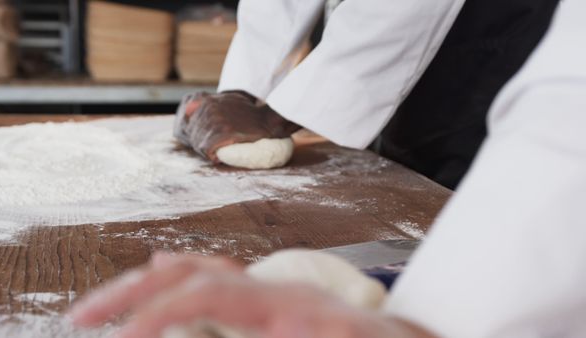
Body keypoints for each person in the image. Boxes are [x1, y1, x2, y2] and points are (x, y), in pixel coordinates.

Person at [70, 0, 586, 337]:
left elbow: (566, 119)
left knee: (450, 195)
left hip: (495, 35)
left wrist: (287, 108)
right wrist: (246, 88)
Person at [174, 0, 558, 189]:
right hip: (376, 33)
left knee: (469, 220)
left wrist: (276, 116)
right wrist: (245, 89)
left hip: (492, 41)